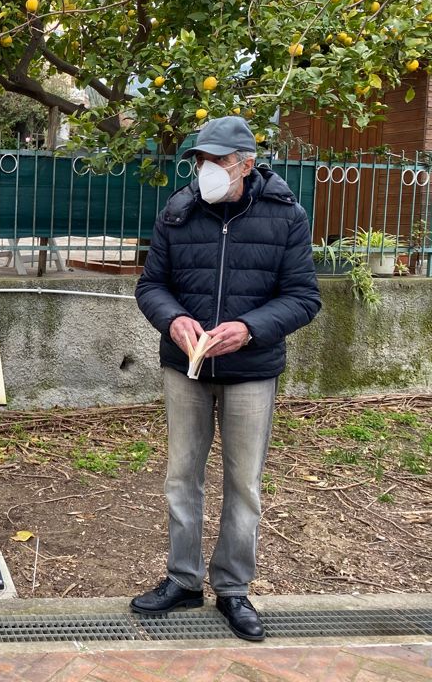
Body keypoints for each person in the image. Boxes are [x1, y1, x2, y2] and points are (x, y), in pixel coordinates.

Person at [132, 116, 321, 641]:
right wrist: (173, 319)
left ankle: (234, 588)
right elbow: (151, 285)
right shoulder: (178, 211)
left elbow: (304, 297)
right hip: (186, 368)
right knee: (181, 477)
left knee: (244, 484)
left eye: (217, 160)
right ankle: (183, 579)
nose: (207, 170)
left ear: (246, 164)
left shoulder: (286, 216)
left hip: (251, 371)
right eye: (201, 160)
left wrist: (249, 329)